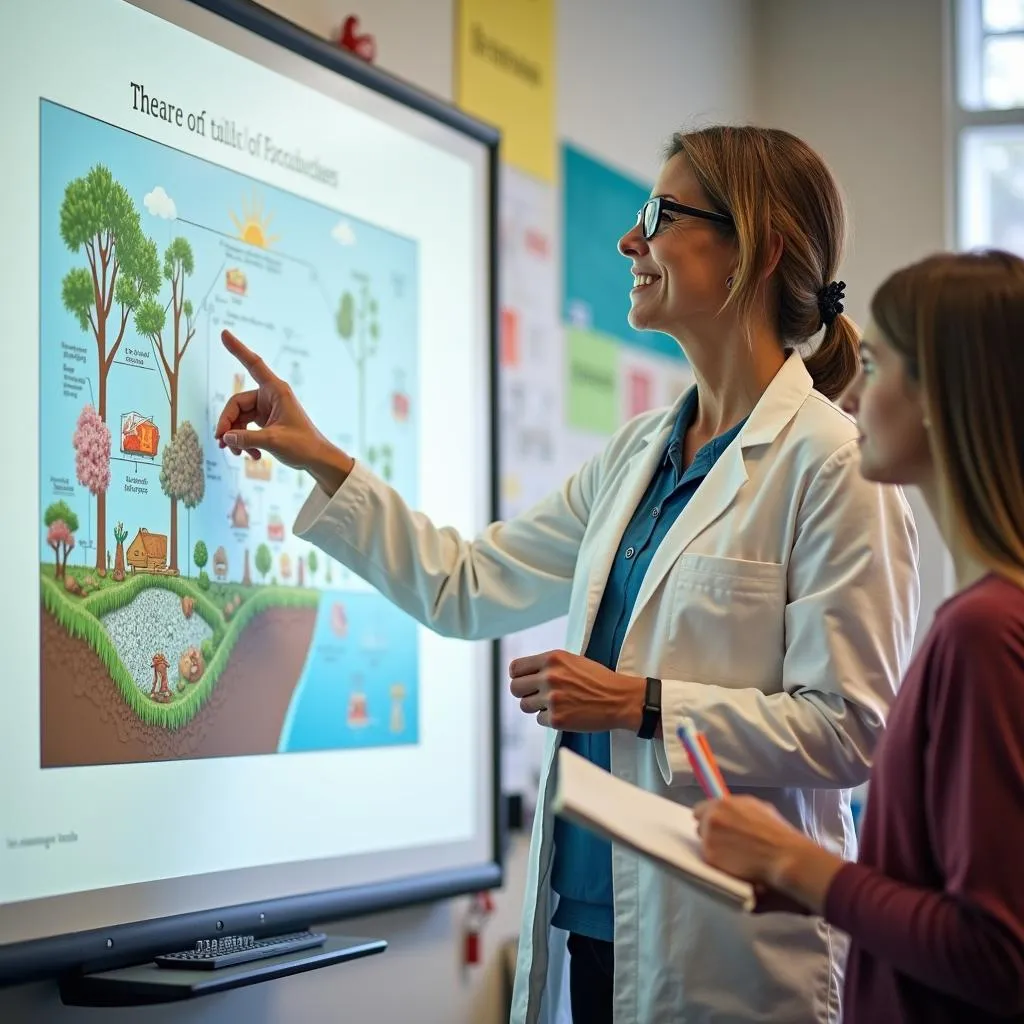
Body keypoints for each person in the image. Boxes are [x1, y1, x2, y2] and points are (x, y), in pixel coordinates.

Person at [214, 125, 920, 1024]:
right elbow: (465, 584)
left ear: (758, 248)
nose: (631, 240)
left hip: (729, 959)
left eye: (660, 215)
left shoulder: (829, 464)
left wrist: (638, 702)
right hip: (595, 933)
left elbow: (852, 727)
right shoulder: (637, 456)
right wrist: (322, 461)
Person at [694, 249, 1024, 1023]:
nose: (850, 397)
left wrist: (799, 863)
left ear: (939, 393)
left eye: (874, 366)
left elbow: (998, 953)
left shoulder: (983, 634)